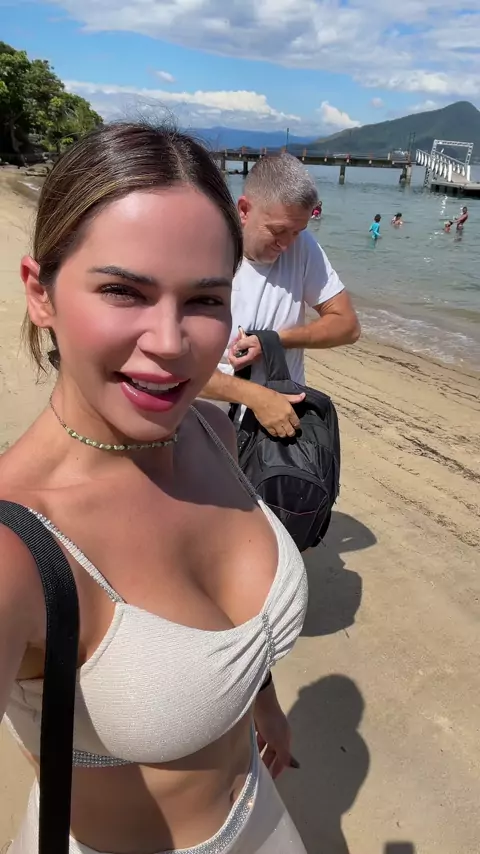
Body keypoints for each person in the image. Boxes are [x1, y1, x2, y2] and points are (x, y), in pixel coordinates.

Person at [0, 123, 308, 854]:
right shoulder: (17, 545)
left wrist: (262, 703)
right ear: (41, 293)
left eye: (204, 299)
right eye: (122, 291)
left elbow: (237, 634)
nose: (170, 343)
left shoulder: (211, 431)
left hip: (264, 816)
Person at [200, 154, 360, 436]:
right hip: (206, 431)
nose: (286, 244)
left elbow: (347, 326)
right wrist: (255, 397)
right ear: (244, 210)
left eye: (297, 231)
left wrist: (274, 341)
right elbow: (175, 370)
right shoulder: (204, 252)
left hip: (277, 438)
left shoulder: (303, 247)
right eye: (278, 231)